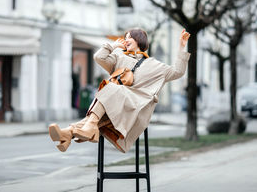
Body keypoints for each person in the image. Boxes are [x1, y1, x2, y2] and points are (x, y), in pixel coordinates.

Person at [48, 28, 190, 153]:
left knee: (109, 87)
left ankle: (74, 131)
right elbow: (98, 57)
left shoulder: (154, 65)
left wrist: (181, 48)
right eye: (125, 36)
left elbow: (178, 71)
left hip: (135, 107)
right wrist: (114, 46)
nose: (126, 39)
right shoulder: (119, 57)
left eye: (130, 37)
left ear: (139, 40)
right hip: (116, 104)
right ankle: (69, 134)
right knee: (108, 95)